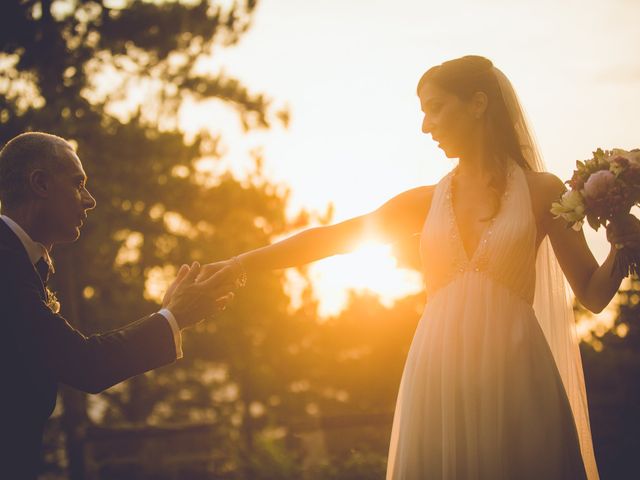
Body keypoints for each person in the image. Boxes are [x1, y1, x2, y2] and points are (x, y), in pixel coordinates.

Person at [203, 55, 640, 479]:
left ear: (478, 103)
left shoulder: (542, 191)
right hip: (437, 375)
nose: (425, 125)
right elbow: (333, 237)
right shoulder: (424, 201)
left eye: (435, 108)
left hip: (517, 376)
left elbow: (592, 294)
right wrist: (241, 263)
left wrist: (623, 248)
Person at [0, 132, 236, 479]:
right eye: (78, 183)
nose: (90, 200)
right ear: (40, 183)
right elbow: (84, 364)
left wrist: (169, 315)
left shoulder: (19, 262)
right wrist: (174, 317)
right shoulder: (5, 262)